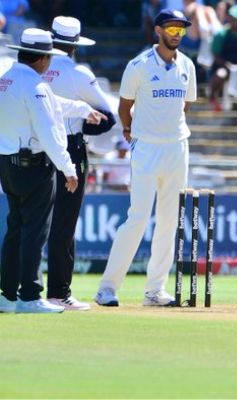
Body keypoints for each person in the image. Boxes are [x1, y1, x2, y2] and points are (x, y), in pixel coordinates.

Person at [94, 8, 197, 307]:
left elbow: (184, 107)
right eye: (172, 29)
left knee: (169, 221)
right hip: (147, 148)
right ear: (158, 30)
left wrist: (168, 130)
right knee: (137, 218)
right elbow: (125, 107)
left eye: (181, 30)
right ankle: (108, 288)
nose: (177, 35)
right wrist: (130, 129)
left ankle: (155, 290)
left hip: (177, 147)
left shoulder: (187, 66)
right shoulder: (138, 65)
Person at [0, 28, 102, 313]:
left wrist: (81, 109)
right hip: (34, 165)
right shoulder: (36, 86)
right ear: (44, 59)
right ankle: (30, 295)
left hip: (7, 162)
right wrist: (69, 168)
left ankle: (7, 295)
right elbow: (51, 132)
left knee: (15, 229)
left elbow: (52, 105)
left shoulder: (5, 79)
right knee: (35, 231)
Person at [44, 16, 116, 311]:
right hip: (69, 147)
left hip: (33, 147)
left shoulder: (32, 68)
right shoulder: (78, 72)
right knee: (64, 223)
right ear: (75, 45)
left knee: (27, 222)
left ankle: (20, 290)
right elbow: (107, 116)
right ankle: (59, 293)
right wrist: (79, 129)